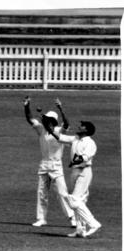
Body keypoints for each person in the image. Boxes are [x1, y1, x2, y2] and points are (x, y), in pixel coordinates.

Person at [43, 112, 101, 238]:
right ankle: (80, 230)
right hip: (75, 172)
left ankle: (93, 223)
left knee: (74, 200)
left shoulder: (90, 143)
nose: (79, 127)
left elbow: (85, 157)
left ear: (87, 130)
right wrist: (50, 130)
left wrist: (75, 161)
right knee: (80, 201)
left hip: (84, 172)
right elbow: (60, 138)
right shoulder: (75, 139)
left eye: (82, 126)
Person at [23, 96, 75, 227]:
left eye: (46, 118)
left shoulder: (59, 131)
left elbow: (67, 124)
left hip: (57, 166)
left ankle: (72, 217)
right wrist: (26, 106)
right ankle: (41, 218)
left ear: (52, 121)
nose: (43, 119)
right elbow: (30, 119)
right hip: (44, 164)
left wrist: (61, 108)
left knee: (62, 193)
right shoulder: (41, 129)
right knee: (41, 193)